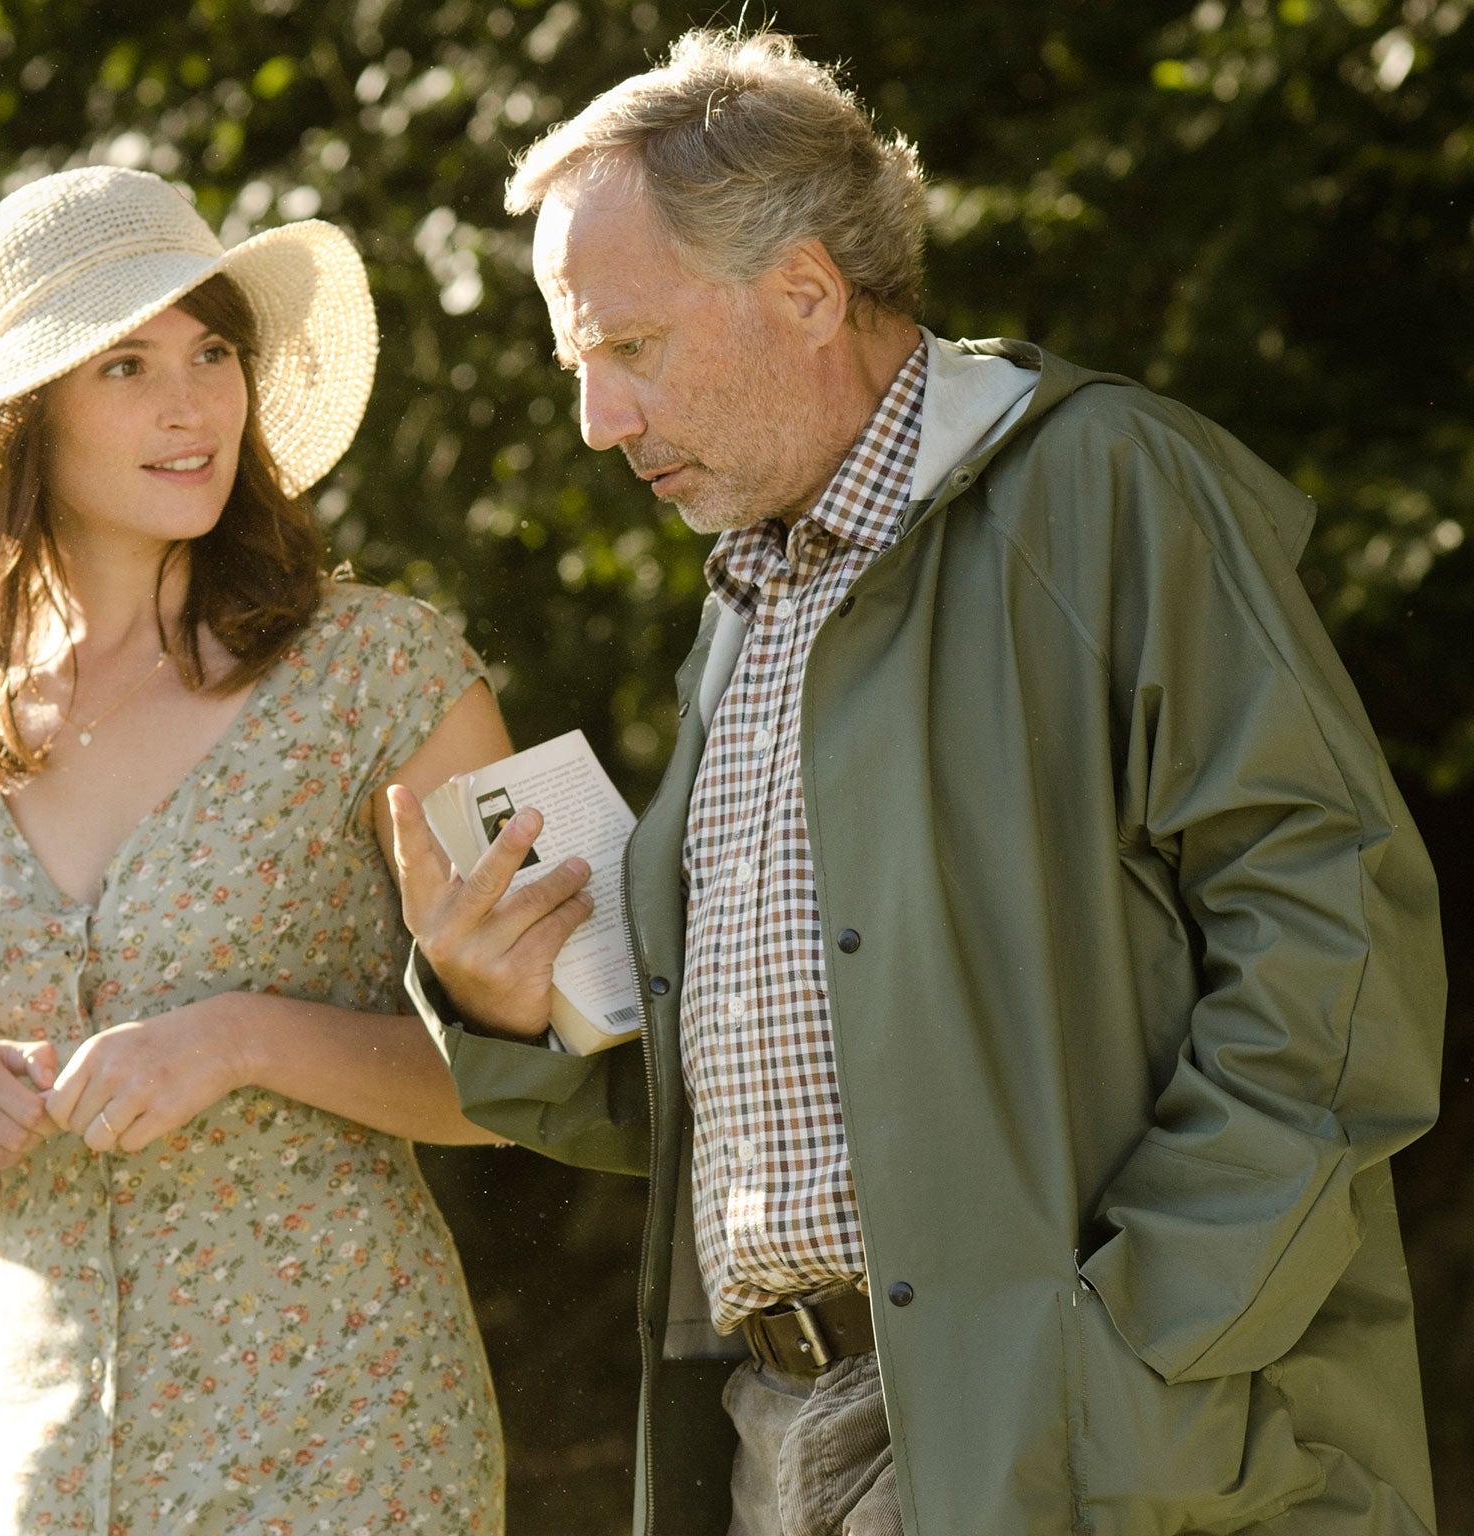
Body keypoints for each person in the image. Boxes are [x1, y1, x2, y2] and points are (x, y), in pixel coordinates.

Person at [388, 28, 1446, 1536]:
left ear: (809, 291)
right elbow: (789, 1089)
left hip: (1074, 1432)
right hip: (773, 1437)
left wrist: (1128, 1339)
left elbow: (1338, 945)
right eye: (578, 364)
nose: (596, 422)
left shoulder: (1103, 487)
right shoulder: (748, 599)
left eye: (627, 348)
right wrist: (516, 1021)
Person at [0, 165, 507, 1534]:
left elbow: (548, 1071)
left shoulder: (386, 674)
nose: (192, 402)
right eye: (128, 365)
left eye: (212, 352)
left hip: (346, 1436)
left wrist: (246, 1038)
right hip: (44, 1457)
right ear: (23, 421)